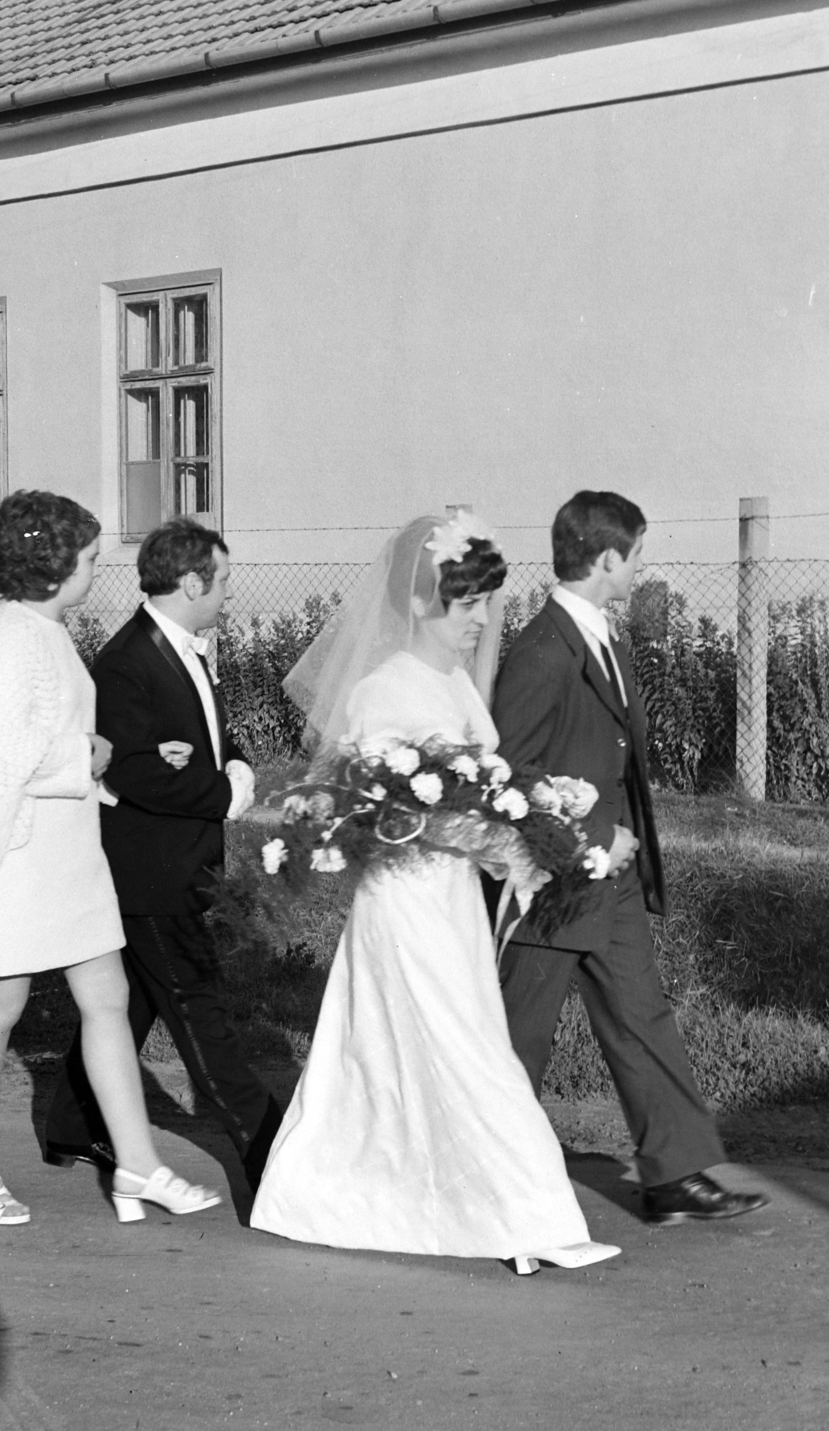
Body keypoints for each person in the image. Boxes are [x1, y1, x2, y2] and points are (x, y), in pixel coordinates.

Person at [249, 514, 620, 1273]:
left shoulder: (452, 683)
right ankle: (525, 1217)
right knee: (463, 1052)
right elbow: (407, 819)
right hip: (407, 901)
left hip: (449, 902)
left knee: (424, 1051)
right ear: (421, 603)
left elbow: (482, 786)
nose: (482, 620)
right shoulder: (383, 692)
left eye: (487, 601)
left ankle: (381, 1196)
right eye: (468, 604)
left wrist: (541, 806)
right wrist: (524, 845)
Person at [0, 491, 219, 1227]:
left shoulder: (47, 630)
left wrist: (114, 756)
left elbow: (65, 736)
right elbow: (0, 757)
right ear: (53, 565)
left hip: (68, 849)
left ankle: (137, 1163)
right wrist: (90, 755)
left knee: (105, 997)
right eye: (89, 560)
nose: (96, 573)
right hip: (20, 853)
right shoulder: (10, 636)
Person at [494, 491, 768, 1225]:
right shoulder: (542, 651)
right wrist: (587, 844)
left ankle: (673, 1175)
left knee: (643, 1016)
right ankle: (485, 1183)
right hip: (554, 886)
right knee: (518, 1042)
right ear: (607, 558)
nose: (643, 567)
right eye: (637, 554)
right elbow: (507, 778)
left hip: (608, 884)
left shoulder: (600, 637)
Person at [44, 517, 284, 1191]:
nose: (230, 593)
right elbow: (131, 771)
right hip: (151, 873)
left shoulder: (185, 647)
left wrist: (234, 765)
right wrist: (219, 790)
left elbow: (209, 736)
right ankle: (267, 1147)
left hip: (179, 862)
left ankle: (70, 1120)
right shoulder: (128, 661)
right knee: (198, 1009)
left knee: (134, 1002)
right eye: (224, 580)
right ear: (190, 581)